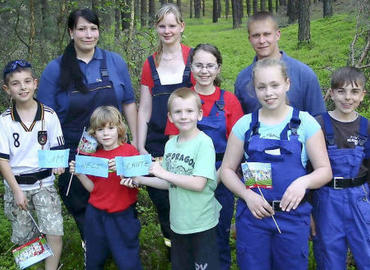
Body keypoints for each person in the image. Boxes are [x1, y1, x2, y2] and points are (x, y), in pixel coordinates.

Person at [220, 58, 332, 270]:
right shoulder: (245, 125)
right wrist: (246, 195)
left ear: (287, 84)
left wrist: (304, 182)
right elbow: (226, 170)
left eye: (275, 85)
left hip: (292, 217)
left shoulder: (305, 123)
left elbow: (325, 171)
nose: (269, 92)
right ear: (254, 89)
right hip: (253, 217)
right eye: (261, 87)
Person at [37, 8, 138, 238]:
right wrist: (51, 157)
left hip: (116, 149)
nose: (88, 34)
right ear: (71, 32)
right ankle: (92, 247)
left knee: (121, 201)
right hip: (75, 152)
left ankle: (123, 247)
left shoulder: (115, 62)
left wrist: (137, 144)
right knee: (82, 204)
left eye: (93, 28)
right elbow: (45, 118)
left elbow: (130, 104)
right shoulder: (55, 69)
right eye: (82, 29)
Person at [164, 43, 243, 269]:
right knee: (193, 238)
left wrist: (215, 178)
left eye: (210, 65)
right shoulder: (182, 99)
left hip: (221, 173)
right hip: (186, 174)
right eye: (199, 65)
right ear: (191, 67)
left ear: (218, 68)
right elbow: (173, 144)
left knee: (219, 235)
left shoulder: (228, 101)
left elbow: (236, 147)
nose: (204, 71)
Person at [124, 88, 221, 269]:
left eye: (189, 111)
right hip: (178, 224)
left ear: (199, 114)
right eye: (178, 112)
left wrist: (162, 172)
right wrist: (140, 179)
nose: (184, 116)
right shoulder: (170, 145)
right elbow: (170, 183)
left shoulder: (204, 143)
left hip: (201, 224)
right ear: (170, 117)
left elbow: (199, 183)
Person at [137, 3, 195, 251]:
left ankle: (196, 255)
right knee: (164, 204)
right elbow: (144, 109)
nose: (167, 30)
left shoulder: (194, 59)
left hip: (188, 144)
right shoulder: (150, 64)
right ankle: (173, 253)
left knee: (190, 201)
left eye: (172, 25)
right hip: (157, 144)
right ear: (156, 28)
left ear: (181, 26)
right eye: (162, 26)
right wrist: (139, 145)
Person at [0, 60, 64, 270]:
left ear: (35, 83)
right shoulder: (4, 121)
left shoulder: (50, 116)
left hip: (44, 183)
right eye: (16, 83)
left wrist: (59, 165)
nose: (23, 87)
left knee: (54, 231)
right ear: (7, 89)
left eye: (27, 81)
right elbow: (2, 160)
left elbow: (57, 150)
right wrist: (17, 191)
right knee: (24, 238)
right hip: (17, 186)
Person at [69, 106, 142, 270]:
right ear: (94, 133)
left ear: (119, 129)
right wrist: (80, 174)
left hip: (123, 215)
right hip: (96, 215)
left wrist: (125, 172)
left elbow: (139, 181)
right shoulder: (93, 158)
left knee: (128, 259)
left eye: (110, 128)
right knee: (94, 258)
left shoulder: (130, 151)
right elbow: (93, 188)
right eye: (100, 129)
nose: (106, 133)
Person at [311, 67, 370, 270]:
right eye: (341, 91)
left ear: (362, 95)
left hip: (360, 199)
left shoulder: (367, 127)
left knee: (366, 252)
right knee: (329, 257)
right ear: (331, 93)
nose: (347, 97)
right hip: (327, 200)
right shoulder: (317, 125)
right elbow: (307, 169)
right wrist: (308, 210)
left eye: (354, 92)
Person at [234, 11, 326, 116]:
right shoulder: (242, 79)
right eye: (256, 35)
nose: (262, 40)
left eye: (267, 34)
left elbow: (319, 119)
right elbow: (239, 124)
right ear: (250, 39)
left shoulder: (304, 74)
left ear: (277, 35)